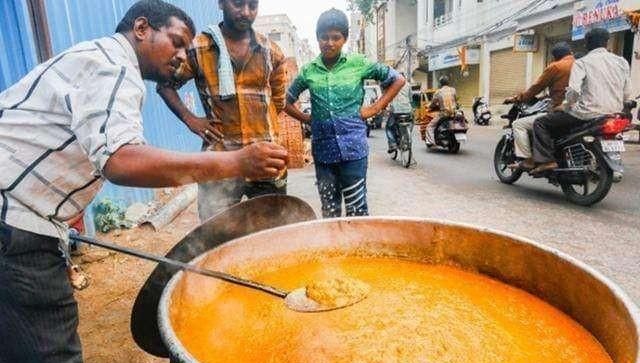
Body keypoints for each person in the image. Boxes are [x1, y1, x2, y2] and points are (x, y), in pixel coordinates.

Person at [0, 1, 287, 362]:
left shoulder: (98, 58)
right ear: (141, 29)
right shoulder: (114, 67)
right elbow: (121, 160)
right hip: (14, 226)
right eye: (177, 42)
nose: (183, 56)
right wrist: (235, 161)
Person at [158, 0, 288, 222]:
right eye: (237, 4)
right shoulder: (198, 49)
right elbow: (165, 84)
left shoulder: (272, 52)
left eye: (253, 5)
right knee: (215, 233)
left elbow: (278, 102)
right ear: (220, 3)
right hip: (219, 162)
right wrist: (190, 119)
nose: (246, 12)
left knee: (272, 232)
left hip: (266, 159)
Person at [285, 8, 405, 218]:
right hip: (323, 152)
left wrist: (376, 108)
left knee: (357, 210)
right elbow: (285, 101)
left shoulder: (358, 63)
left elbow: (397, 79)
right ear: (317, 38)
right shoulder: (309, 71)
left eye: (336, 37)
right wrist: (306, 119)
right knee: (329, 211)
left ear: (345, 39)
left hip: (354, 151)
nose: (329, 43)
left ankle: (357, 249)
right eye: (324, 37)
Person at [531, 28, 633, 173]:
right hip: (613, 113)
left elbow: (573, 91)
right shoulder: (622, 62)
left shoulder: (583, 62)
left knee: (540, 123)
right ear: (607, 43)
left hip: (586, 113)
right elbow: (627, 92)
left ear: (587, 44)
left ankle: (547, 161)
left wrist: (566, 106)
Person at [505, 42, 574, 170]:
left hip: (563, 111)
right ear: (571, 53)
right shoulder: (581, 64)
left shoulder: (556, 67)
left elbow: (536, 88)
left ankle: (530, 160)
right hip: (586, 110)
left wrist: (517, 98)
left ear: (554, 57)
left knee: (520, 124)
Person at [386, 72, 414, 153]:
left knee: (389, 127)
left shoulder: (392, 85)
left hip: (396, 110)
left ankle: (392, 144)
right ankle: (407, 138)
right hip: (407, 109)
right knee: (411, 122)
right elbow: (410, 99)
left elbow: (388, 98)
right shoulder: (408, 84)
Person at [426, 75, 457, 146]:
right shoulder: (453, 90)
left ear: (440, 83)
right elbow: (455, 99)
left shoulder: (438, 92)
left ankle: (431, 141)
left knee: (430, 126)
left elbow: (433, 103)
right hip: (453, 113)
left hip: (444, 114)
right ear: (448, 82)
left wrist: (430, 106)